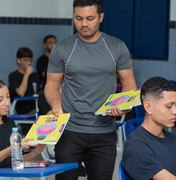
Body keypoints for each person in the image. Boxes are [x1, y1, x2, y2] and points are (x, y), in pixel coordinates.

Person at [44, 0, 136, 179]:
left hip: (104, 133)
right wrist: (56, 105)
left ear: (100, 17)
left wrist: (124, 106)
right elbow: (52, 85)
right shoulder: (62, 48)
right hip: (70, 130)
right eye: (78, 18)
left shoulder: (116, 46)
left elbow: (129, 84)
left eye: (89, 18)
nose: (84, 24)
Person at [121, 76, 176, 180]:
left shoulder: (172, 138)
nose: (174, 111)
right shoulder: (136, 146)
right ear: (148, 107)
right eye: (169, 106)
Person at [0, 80, 45, 168]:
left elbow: (16, 161)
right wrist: (15, 147)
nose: (7, 103)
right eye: (0, 99)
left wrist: (36, 151)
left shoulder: (10, 123)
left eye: (8, 97)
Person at [8, 47, 40, 115]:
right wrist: (27, 74)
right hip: (24, 109)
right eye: (25, 60)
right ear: (18, 61)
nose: (29, 63)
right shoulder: (13, 76)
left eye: (30, 60)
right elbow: (21, 92)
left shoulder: (35, 76)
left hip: (37, 107)